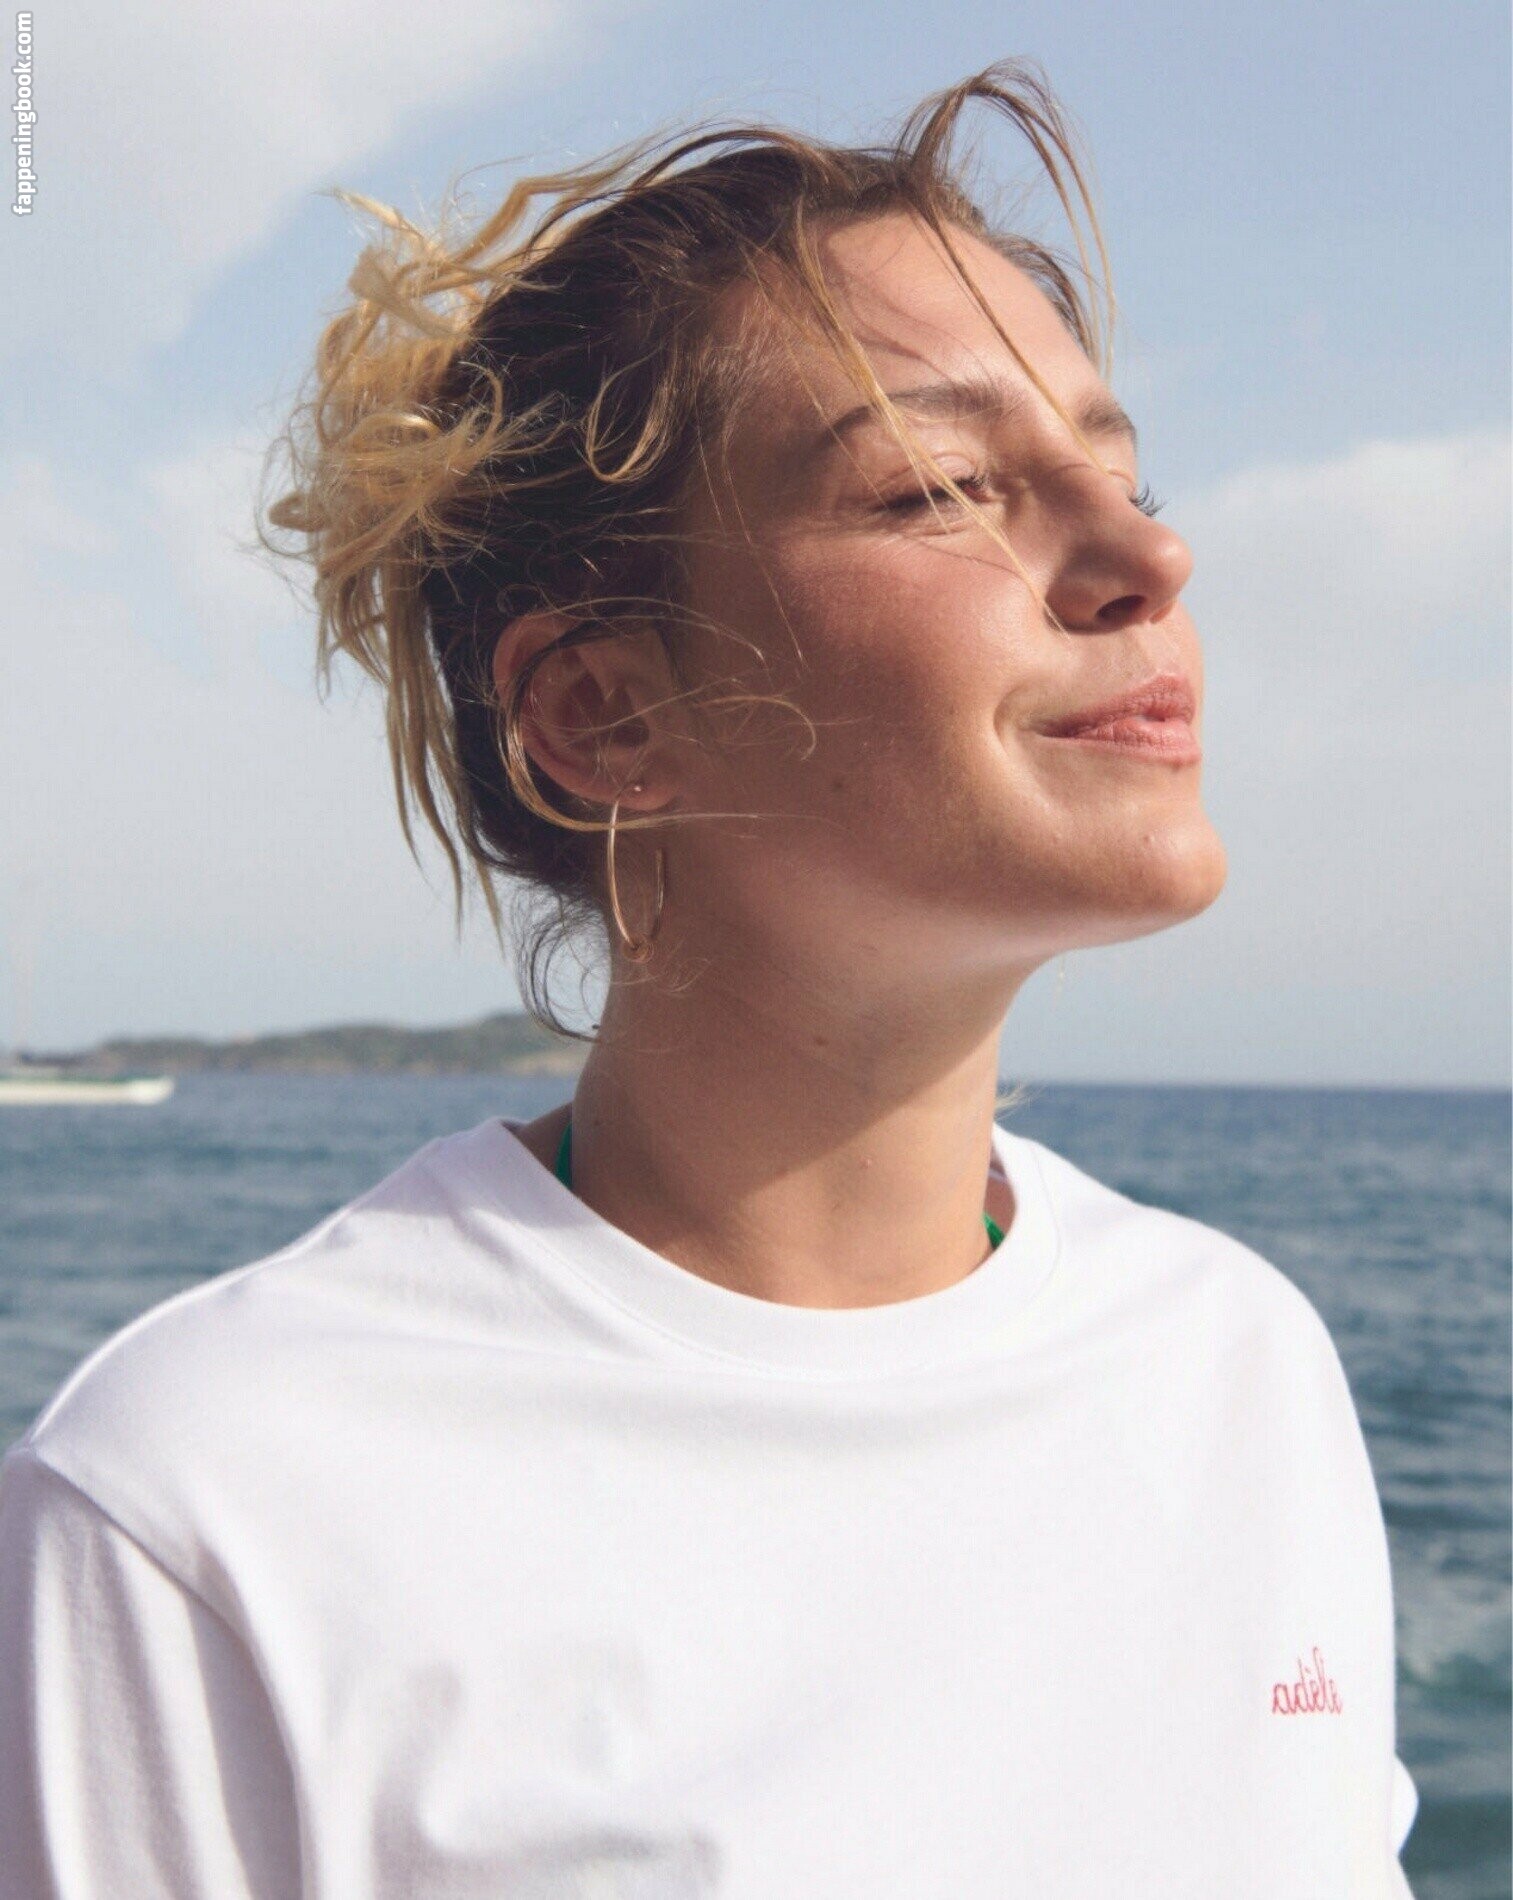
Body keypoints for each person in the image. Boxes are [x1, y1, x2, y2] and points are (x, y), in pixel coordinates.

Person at [0, 58, 1418, 1898]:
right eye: (939, 486)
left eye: (1121, 471)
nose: (1148, 555)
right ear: (602, 713)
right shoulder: (212, 1509)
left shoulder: (1234, 1367)